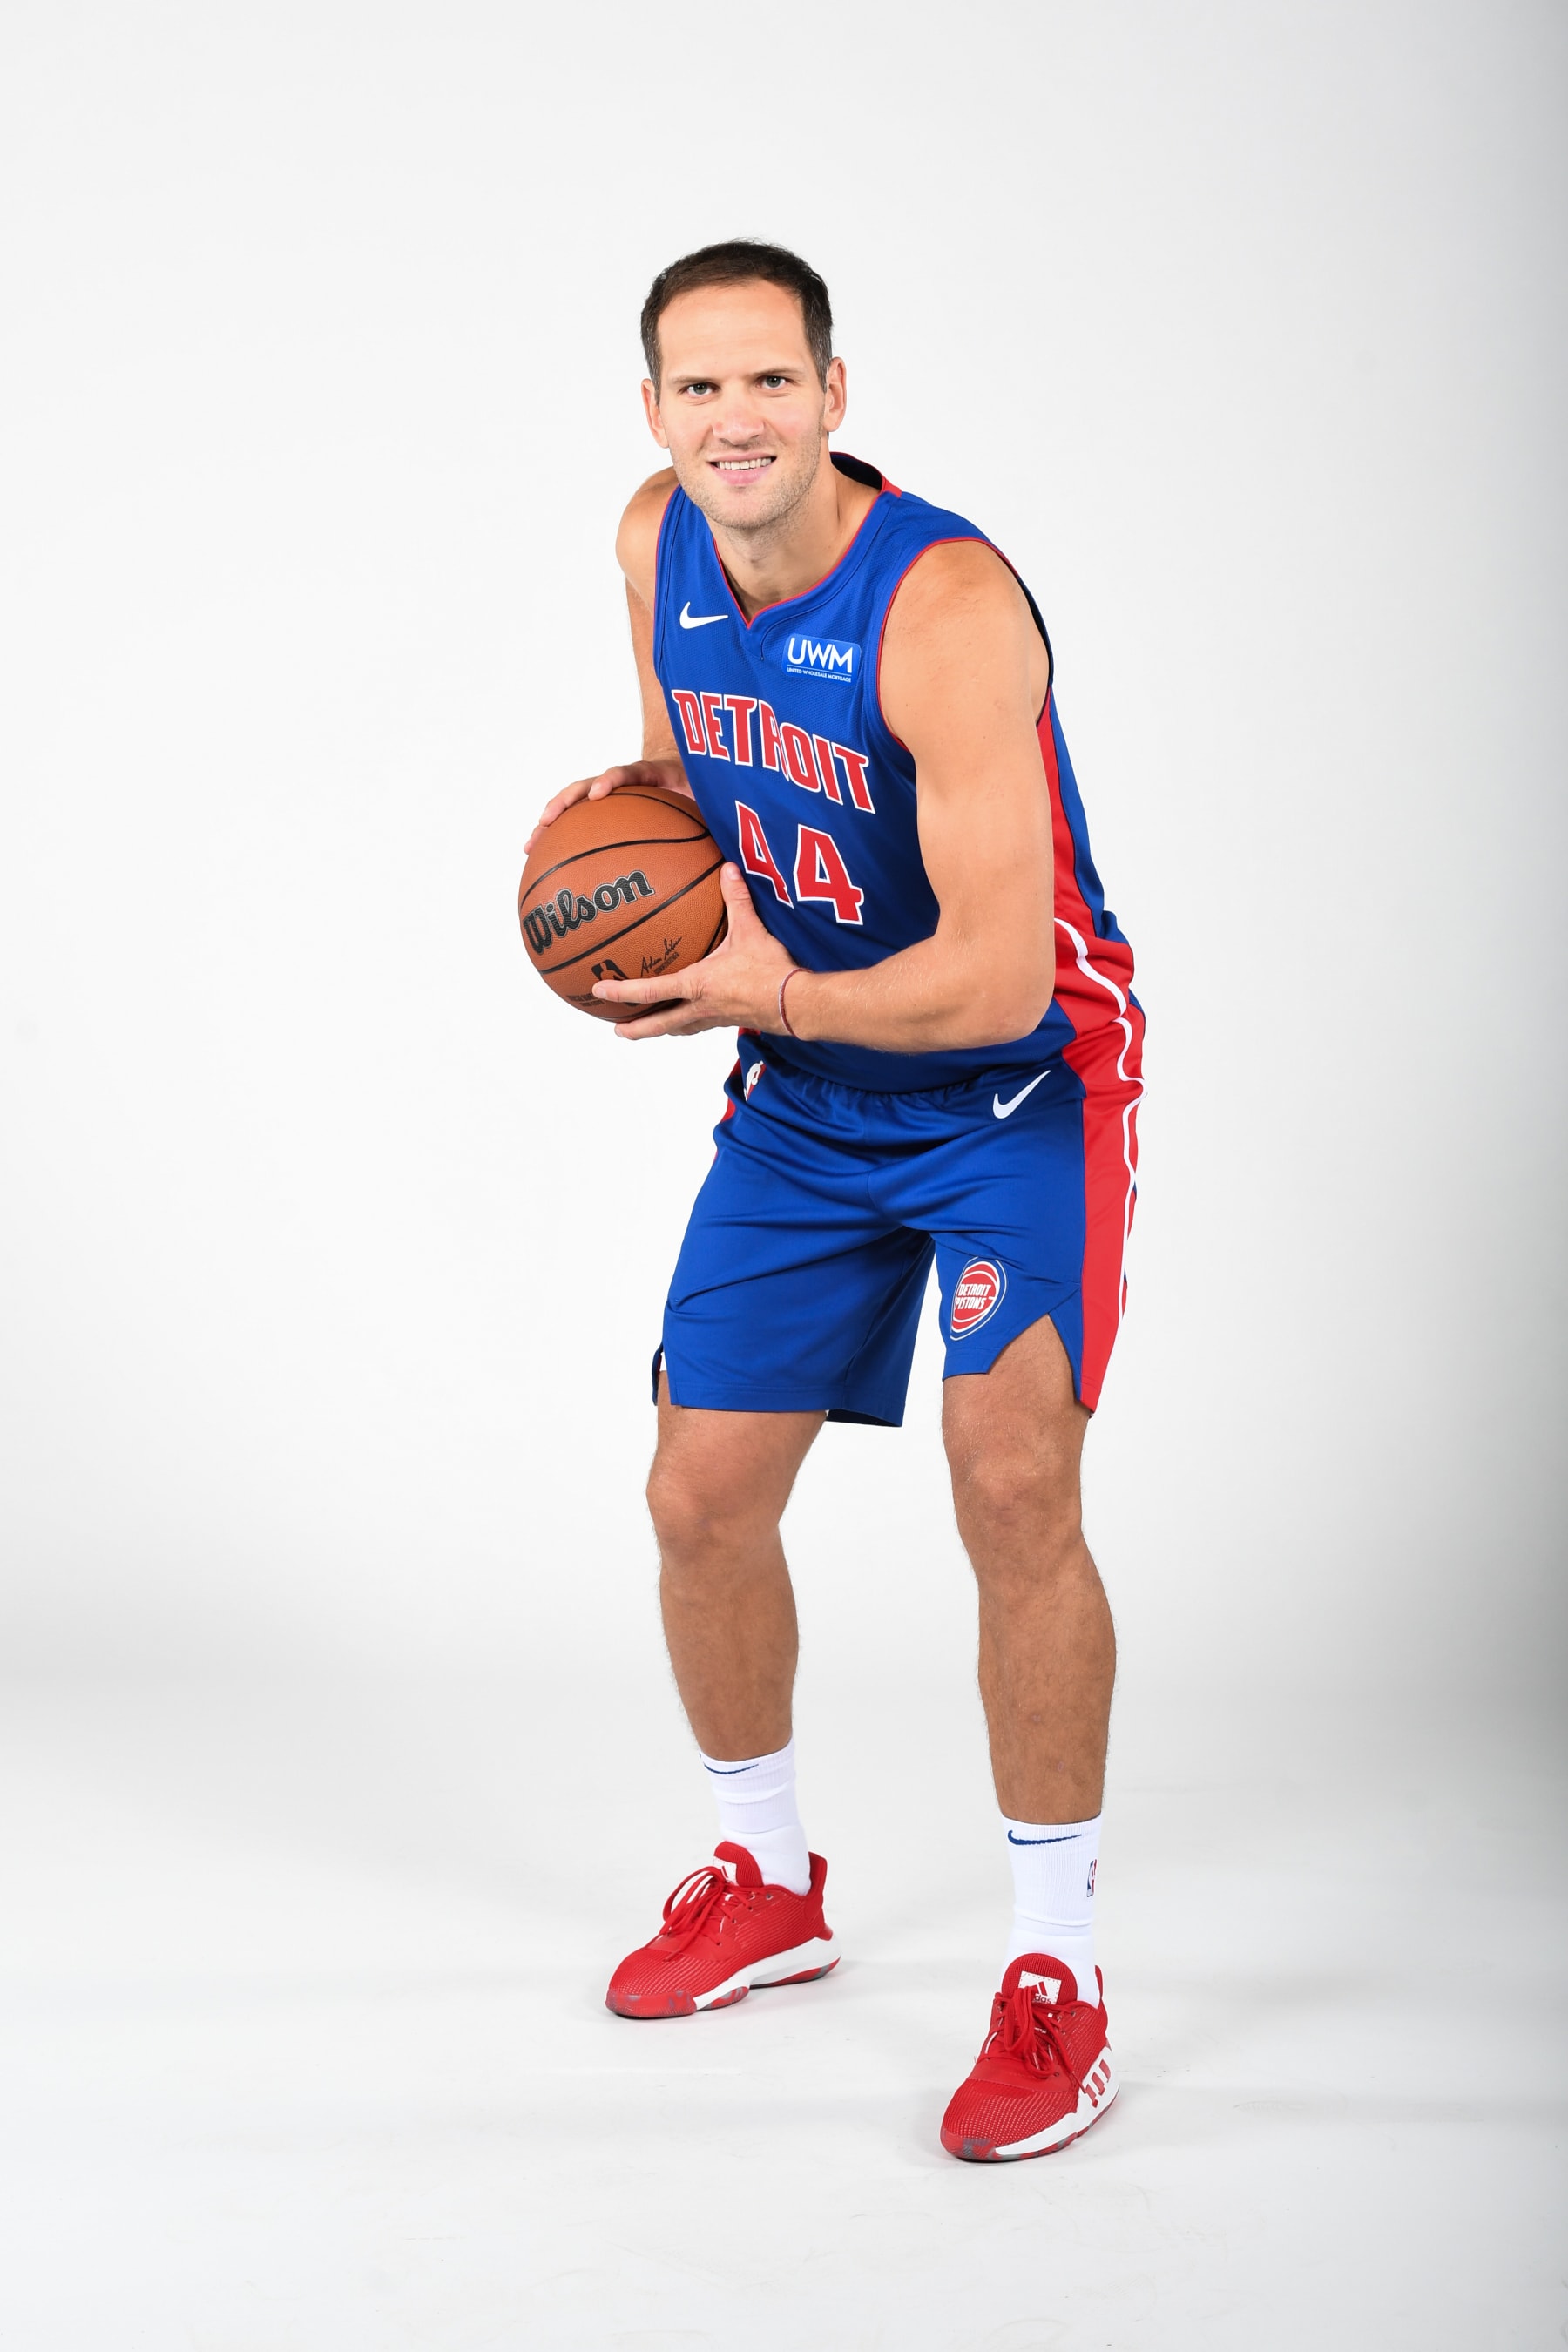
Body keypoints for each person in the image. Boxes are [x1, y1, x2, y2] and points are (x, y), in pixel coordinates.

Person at [525, 240, 1143, 2160]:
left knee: (1012, 1485)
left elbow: (1001, 978)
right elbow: (686, 783)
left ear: (835, 394)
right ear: (654, 412)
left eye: (771, 381)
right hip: (806, 1096)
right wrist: (628, 893)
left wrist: (759, 988)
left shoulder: (942, 606)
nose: (737, 421)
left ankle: (1058, 1976)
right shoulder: (653, 539)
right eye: (700, 388)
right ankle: (767, 1879)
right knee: (697, 1497)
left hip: (1012, 1090)